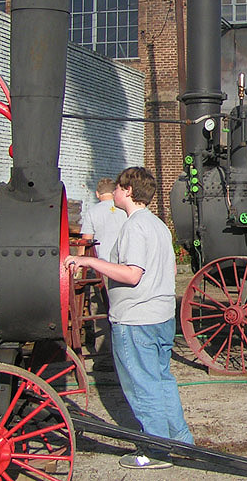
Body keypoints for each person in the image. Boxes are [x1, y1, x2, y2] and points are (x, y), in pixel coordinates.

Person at [65, 167, 193, 470]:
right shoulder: (159, 225)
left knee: (141, 384)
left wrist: (88, 260)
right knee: (161, 380)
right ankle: (181, 442)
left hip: (137, 319)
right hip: (161, 316)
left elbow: (132, 274)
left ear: (129, 192)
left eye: (120, 188)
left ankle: (157, 451)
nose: (116, 193)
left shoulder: (135, 226)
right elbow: (172, 270)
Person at [80, 177, 127, 366]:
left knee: (99, 312)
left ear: (97, 194)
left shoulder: (93, 212)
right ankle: (124, 354)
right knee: (122, 310)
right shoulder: (124, 210)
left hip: (101, 268)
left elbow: (86, 241)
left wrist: (80, 265)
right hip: (123, 266)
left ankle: (105, 357)